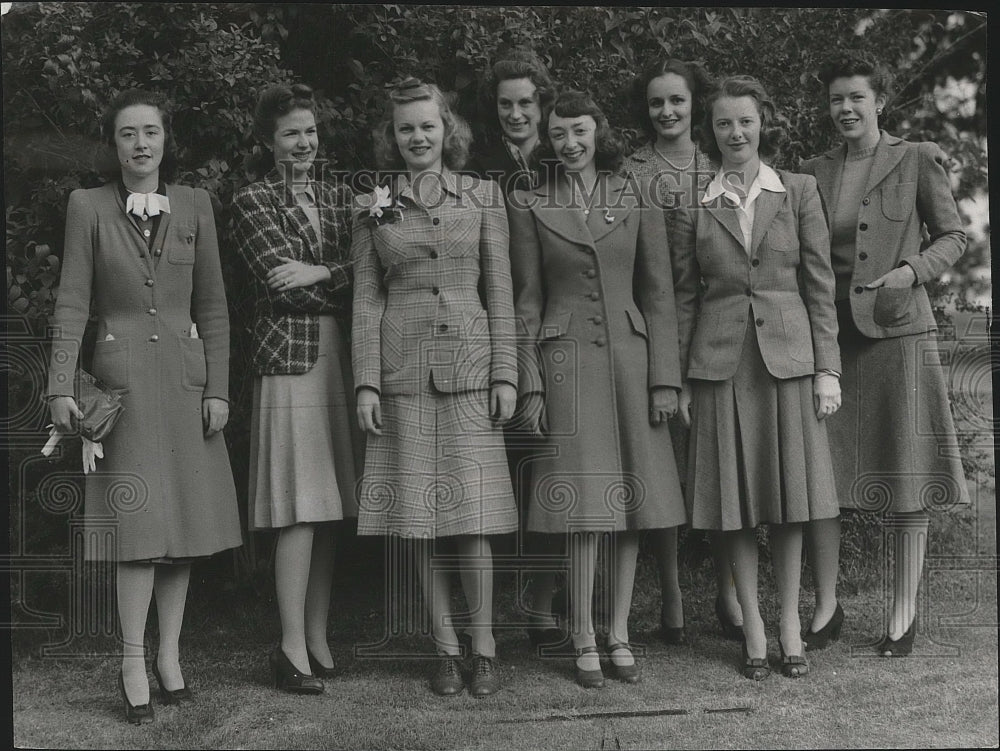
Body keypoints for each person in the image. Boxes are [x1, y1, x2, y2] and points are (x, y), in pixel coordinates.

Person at [47, 89, 242, 722]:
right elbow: (73, 301)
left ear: (165, 140)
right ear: (114, 144)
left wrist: (217, 389)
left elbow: (212, 304)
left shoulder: (194, 204)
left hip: (184, 384)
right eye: (128, 134)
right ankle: (132, 660)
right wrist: (59, 387)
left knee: (180, 531)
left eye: (151, 133)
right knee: (136, 531)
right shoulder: (88, 207)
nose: (140, 145)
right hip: (121, 384)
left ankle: (168, 656)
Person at [508, 90, 687, 688]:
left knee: (633, 504)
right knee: (584, 509)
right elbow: (527, 299)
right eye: (559, 134)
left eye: (579, 131)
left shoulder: (634, 194)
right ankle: (581, 633)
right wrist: (530, 382)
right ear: (548, 140)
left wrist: (665, 378)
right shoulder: (530, 202)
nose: (571, 144)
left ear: (597, 132)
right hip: (566, 366)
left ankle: (619, 633)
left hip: (631, 366)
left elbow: (659, 295)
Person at [351, 78, 519, 698]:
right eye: (405, 129)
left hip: (472, 371)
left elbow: (498, 287)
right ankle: (444, 647)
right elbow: (366, 298)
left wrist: (506, 373)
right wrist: (366, 383)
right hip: (402, 375)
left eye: (427, 125)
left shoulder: (482, 195)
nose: (417, 137)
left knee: (473, 519)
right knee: (418, 517)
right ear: (391, 138)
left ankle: (485, 645)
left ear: (448, 129)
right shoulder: (374, 202)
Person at [673, 76, 842, 680]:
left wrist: (828, 368)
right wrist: (683, 380)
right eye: (723, 124)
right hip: (718, 366)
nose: (735, 133)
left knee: (789, 498)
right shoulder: (696, 201)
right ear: (710, 131)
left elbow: (820, 287)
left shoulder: (797, 190)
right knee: (733, 504)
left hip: (788, 363)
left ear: (761, 123)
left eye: (744, 121)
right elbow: (684, 298)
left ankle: (792, 626)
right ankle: (754, 627)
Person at [800, 52, 968, 657]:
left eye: (857, 98)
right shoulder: (809, 171)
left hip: (900, 335)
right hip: (832, 343)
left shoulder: (916, 157)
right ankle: (825, 608)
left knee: (906, 474)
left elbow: (954, 235)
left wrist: (911, 271)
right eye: (837, 99)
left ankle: (902, 614)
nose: (846, 108)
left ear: (880, 102)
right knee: (822, 477)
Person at [231, 83, 361, 694]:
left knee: (330, 507)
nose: (303, 142)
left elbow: (376, 268)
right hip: (288, 358)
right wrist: (335, 278)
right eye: (290, 133)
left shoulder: (341, 196)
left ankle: (317, 636)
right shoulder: (253, 200)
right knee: (298, 508)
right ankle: (287, 646)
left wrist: (325, 271)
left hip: (338, 356)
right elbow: (282, 285)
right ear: (267, 141)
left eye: (309, 131)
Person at [621, 58, 746, 645]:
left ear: (695, 105)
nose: (667, 112)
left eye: (676, 101)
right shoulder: (629, 172)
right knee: (663, 469)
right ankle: (671, 596)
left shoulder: (720, 166)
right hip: (654, 337)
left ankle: (727, 591)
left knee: (719, 469)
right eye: (655, 103)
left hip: (717, 335)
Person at [468, 46, 565, 650]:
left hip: (564, 327)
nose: (516, 114)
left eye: (526, 102)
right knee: (505, 466)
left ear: (543, 103)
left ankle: (546, 602)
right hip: (495, 330)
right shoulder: (478, 167)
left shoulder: (567, 158)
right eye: (506, 104)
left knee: (555, 466)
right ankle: (494, 602)